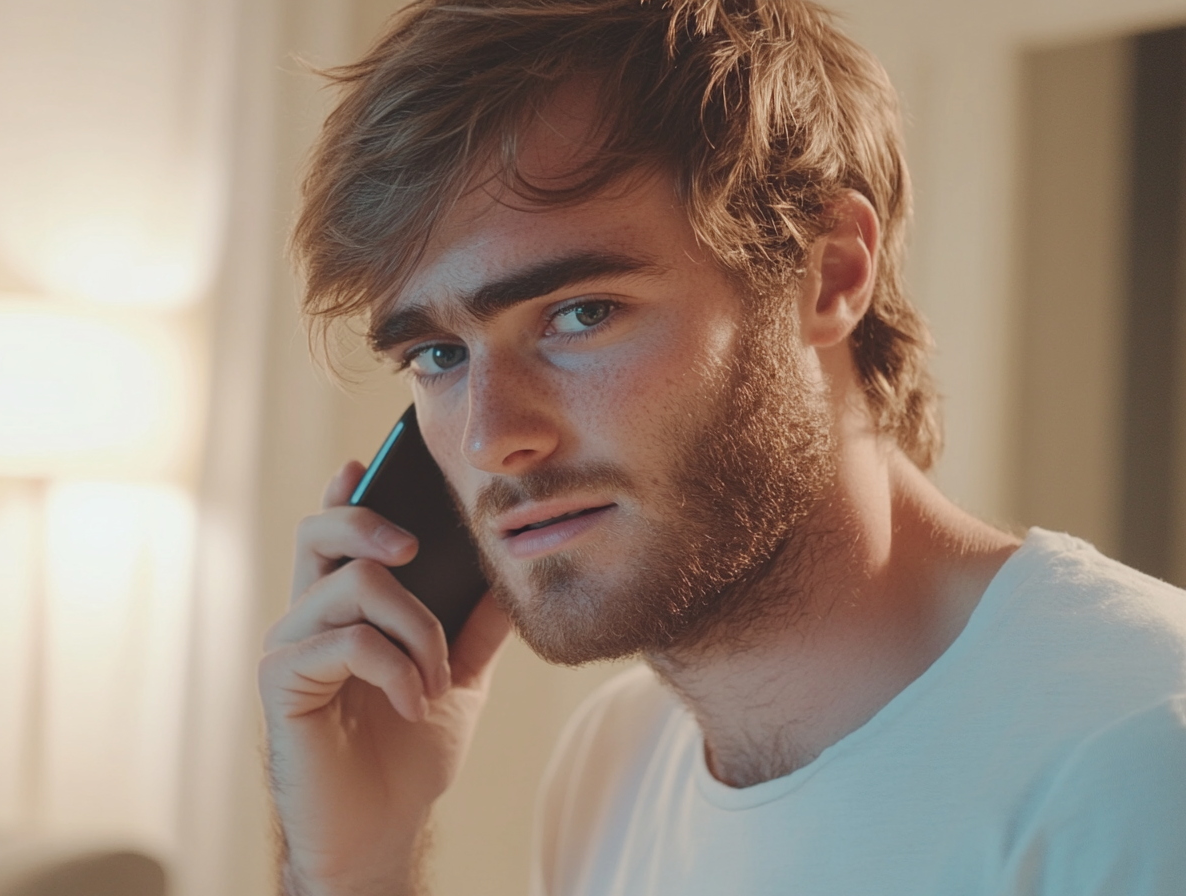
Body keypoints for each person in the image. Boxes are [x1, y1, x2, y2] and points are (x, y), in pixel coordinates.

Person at [258, 0, 1186, 893]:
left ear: (830, 272)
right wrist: (352, 873)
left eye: (580, 314)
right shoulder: (611, 764)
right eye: (437, 355)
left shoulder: (1140, 768)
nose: (493, 438)